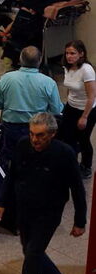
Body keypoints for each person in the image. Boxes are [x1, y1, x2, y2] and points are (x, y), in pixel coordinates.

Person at [0, 113, 87, 274]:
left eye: (41, 135)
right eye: (32, 134)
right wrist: (1, 202)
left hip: (49, 213)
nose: (35, 139)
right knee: (29, 250)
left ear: (52, 135)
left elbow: (77, 188)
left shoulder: (64, 154)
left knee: (33, 258)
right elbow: (12, 175)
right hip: (25, 209)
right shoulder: (23, 145)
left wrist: (80, 220)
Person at [0, 46, 63, 178]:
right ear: (40, 60)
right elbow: (56, 110)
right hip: (38, 130)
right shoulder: (48, 83)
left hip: (11, 128)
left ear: (20, 59)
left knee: (9, 160)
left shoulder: (7, 78)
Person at [56, 41, 96, 179]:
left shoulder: (86, 70)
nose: (69, 56)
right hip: (71, 106)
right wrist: (68, 103)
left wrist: (84, 117)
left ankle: (86, 166)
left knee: (83, 139)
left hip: (87, 109)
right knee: (67, 135)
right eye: (67, 53)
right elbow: (70, 87)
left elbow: (92, 96)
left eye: (73, 53)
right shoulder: (67, 67)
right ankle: (70, 162)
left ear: (81, 54)